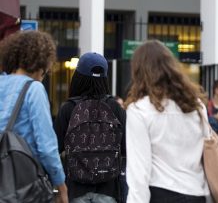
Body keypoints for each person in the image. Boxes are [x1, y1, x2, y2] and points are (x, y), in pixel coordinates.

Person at [125, 40, 209, 203]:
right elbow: (207, 154)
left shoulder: (140, 110)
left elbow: (139, 171)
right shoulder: (196, 106)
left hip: (161, 193)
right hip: (196, 193)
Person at [0, 31, 68, 203]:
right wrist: (61, 185)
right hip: (23, 186)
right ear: (42, 62)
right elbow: (46, 147)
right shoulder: (34, 89)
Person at [53, 52, 126, 203]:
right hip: (110, 190)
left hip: (75, 189)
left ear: (78, 77)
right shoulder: (115, 108)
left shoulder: (68, 108)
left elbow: (54, 149)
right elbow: (126, 148)